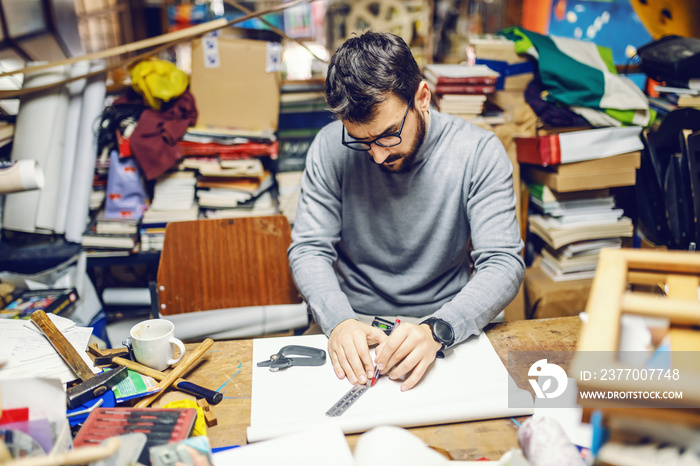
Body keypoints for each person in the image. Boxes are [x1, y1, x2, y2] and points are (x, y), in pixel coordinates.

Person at [288, 31, 524, 392]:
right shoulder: (328, 147)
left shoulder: (478, 153)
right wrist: (338, 322)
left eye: (387, 135)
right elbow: (308, 249)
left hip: (446, 323)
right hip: (356, 322)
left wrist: (439, 328)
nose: (377, 156)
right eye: (360, 140)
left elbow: (504, 263)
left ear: (422, 98)